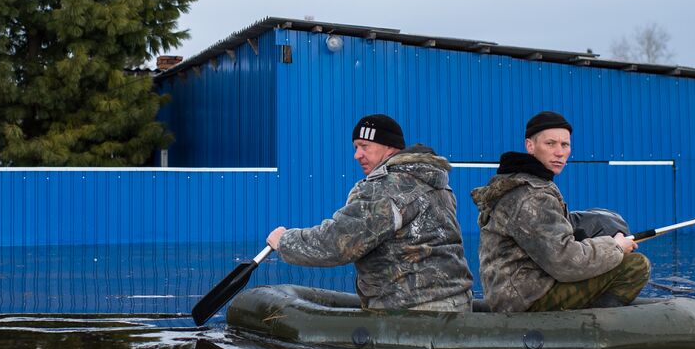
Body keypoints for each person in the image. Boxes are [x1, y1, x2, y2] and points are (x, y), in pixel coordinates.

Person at [265, 114, 473, 312]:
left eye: (364, 146)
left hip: (413, 313)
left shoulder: (385, 188)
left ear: (390, 146)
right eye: (355, 147)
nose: (357, 155)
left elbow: (338, 242)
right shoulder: (437, 184)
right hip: (457, 303)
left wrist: (284, 241)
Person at [471, 110, 650, 312]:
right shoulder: (532, 195)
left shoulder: (523, 183)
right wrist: (616, 246)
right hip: (526, 298)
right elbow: (565, 262)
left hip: (515, 291)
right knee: (635, 266)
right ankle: (591, 327)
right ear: (530, 146)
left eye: (565, 145)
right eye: (550, 144)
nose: (559, 152)